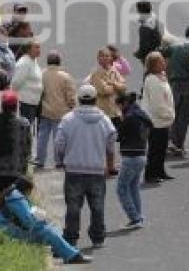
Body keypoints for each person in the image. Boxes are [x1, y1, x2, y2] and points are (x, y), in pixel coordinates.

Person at [55, 84, 117, 249]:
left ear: (79, 99)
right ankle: (97, 237)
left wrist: (60, 160)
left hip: (74, 170)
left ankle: (71, 237)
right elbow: (111, 145)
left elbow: (59, 143)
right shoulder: (105, 120)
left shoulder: (68, 119)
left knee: (73, 206)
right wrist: (110, 167)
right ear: (96, 99)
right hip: (96, 169)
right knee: (97, 206)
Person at [0, 177, 91, 265]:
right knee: (48, 232)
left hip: (5, 229)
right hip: (10, 232)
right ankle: (72, 256)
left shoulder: (11, 194)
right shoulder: (16, 198)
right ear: (26, 189)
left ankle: (68, 252)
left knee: (50, 230)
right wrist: (42, 221)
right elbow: (28, 222)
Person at [0, 90, 32, 201]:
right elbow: (27, 149)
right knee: (15, 204)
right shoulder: (24, 123)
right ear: (16, 106)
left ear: (2, 105)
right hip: (17, 172)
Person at [115, 92, 151, 229]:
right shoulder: (141, 114)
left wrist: (120, 121)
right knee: (133, 187)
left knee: (121, 188)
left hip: (130, 156)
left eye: (119, 106)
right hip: (141, 154)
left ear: (124, 103)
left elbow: (119, 135)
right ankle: (138, 216)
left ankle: (134, 218)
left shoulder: (129, 117)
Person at [36, 51, 76, 169]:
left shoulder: (41, 75)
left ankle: (40, 160)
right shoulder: (65, 77)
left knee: (42, 136)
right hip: (61, 112)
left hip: (45, 110)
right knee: (58, 138)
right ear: (59, 62)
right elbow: (71, 95)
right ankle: (59, 161)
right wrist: (72, 107)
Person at [162, 25, 189, 156]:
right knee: (184, 117)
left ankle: (169, 142)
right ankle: (178, 144)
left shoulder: (175, 47)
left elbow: (161, 51)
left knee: (172, 114)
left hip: (174, 84)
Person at [140, 52, 174, 183]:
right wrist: (169, 114)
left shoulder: (161, 76)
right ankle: (150, 174)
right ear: (153, 65)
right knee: (155, 148)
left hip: (163, 120)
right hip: (156, 119)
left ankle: (160, 171)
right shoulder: (152, 80)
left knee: (162, 147)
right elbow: (157, 103)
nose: (164, 63)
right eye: (160, 62)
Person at [11, 40, 43, 124]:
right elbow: (15, 83)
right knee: (24, 129)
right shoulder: (24, 63)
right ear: (28, 49)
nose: (39, 49)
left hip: (32, 103)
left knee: (27, 129)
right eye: (36, 47)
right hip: (25, 103)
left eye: (39, 47)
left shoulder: (33, 61)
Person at [134, 1, 162, 66]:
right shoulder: (154, 18)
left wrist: (139, 54)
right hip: (158, 52)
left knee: (149, 73)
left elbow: (144, 45)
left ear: (140, 11)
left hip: (150, 56)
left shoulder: (145, 27)